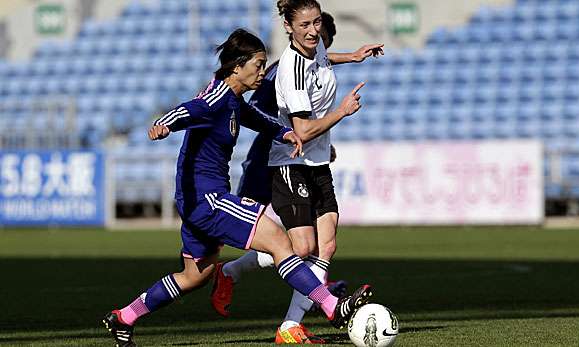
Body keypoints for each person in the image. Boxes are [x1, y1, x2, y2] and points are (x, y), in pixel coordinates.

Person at [101, 28, 373, 347]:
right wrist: (166, 125)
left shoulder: (233, 99)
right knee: (279, 242)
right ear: (237, 66)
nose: (262, 71)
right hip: (209, 199)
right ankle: (332, 307)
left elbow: (257, 118)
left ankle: (124, 317)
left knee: (195, 276)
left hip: (194, 202)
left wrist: (284, 134)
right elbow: (190, 109)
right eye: (257, 65)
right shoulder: (217, 97)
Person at [211, 2, 383, 344]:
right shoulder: (286, 71)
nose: (314, 32)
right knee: (298, 247)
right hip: (287, 159)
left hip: (315, 162)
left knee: (326, 244)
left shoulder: (315, 50)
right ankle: (233, 273)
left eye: (317, 24)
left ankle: (293, 323)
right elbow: (300, 129)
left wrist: (354, 56)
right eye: (306, 25)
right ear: (290, 28)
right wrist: (342, 112)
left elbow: (321, 61)